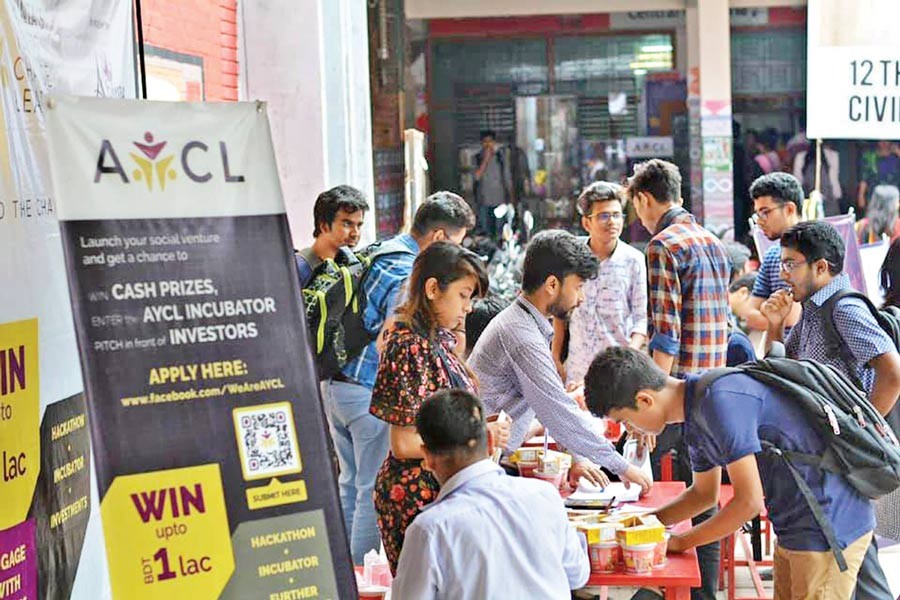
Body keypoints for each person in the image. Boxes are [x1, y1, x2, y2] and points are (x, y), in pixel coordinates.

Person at [584, 347, 875, 600]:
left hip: (827, 525)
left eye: (625, 420)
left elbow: (748, 503)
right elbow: (703, 495)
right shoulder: (694, 411)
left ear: (645, 400)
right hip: (795, 526)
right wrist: (644, 524)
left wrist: (679, 542)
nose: (629, 431)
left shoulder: (717, 401)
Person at [320, 191, 475, 564]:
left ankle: (342, 574)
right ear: (439, 237)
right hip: (369, 395)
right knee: (369, 489)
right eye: (456, 245)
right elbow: (390, 337)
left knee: (349, 486)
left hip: (336, 384)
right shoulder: (411, 273)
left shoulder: (383, 249)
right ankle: (362, 576)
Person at [762, 220, 900, 600]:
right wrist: (774, 325)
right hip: (828, 455)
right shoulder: (811, 308)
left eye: (791, 264)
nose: (784, 273)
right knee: (854, 556)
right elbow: (778, 368)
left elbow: (891, 372)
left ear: (821, 268)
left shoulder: (844, 309)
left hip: (843, 456)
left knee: (853, 556)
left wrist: (862, 433)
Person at [469, 230, 652, 492]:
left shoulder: (526, 323)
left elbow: (551, 407)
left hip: (489, 458)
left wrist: (578, 458)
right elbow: (557, 409)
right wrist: (623, 467)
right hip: (481, 464)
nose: (581, 298)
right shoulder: (522, 336)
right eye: (578, 287)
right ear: (552, 285)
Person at [627, 158, 731, 600]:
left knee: (632, 481)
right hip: (717, 390)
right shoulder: (712, 241)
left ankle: (648, 582)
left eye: (635, 208)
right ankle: (703, 593)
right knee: (703, 499)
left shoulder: (663, 246)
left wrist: (650, 405)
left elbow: (665, 336)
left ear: (645, 199)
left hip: (680, 395)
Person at [369, 242, 506, 573]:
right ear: (432, 288)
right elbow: (403, 444)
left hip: (445, 489)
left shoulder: (437, 339)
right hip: (416, 496)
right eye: (463, 295)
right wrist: (477, 434)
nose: (469, 307)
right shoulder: (408, 346)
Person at [391, 389, 589, 599]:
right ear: (490, 440)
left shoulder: (430, 529)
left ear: (427, 458)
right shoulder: (545, 495)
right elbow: (577, 575)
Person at [553, 181, 648, 386]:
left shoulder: (634, 260)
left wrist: (629, 356)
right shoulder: (571, 254)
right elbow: (560, 309)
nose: (612, 222)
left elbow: (641, 319)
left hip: (619, 374)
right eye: (604, 216)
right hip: (578, 370)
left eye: (616, 215)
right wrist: (555, 357)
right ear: (587, 223)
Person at [743, 173, 804, 334]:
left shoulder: (814, 251)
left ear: (790, 209)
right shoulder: (771, 256)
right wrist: (775, 316)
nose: (759, 221)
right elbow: (749, 315)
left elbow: (792, 318)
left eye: (765, 212)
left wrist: (766, 310)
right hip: (778, 351)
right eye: (757, 214)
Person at [296, 185, 368, 287]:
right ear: (324, 226)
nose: (355, 233)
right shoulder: (298, 270)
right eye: (347, 224)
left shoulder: (351, 267)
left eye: (359, 225)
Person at [474, 129, 511, 240]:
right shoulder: (477, 158)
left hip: (500, 199)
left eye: (490, 141)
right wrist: (486, 160)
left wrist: (510, 197)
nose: (488, 144)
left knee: (500, 231)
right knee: (486, 231)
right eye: (485, 141)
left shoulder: (500, 157)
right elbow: (476, 176)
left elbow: (507, 177)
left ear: (494, 142)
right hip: (484, 200)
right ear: (482, 143)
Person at [793, 142, 843, 217]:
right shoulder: (833, 155)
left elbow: (798, 181)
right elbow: (833, 180)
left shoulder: (800, 157)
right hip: (828, 201)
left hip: (808, 201)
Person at [857, 141, 900, 210]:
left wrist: (898, 152)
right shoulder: (869, 156)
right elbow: (864, 177)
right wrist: (861, 195)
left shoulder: (896, 157)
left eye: (887, 140)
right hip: (875, 196)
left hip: (894, 197)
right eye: (881, 140)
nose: (884, 142)